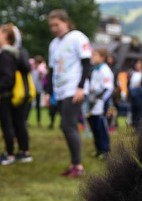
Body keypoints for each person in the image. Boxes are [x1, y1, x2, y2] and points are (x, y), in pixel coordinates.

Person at [47, 9, 92, 178]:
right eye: (51, 26)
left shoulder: (78, 37)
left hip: (73, 89)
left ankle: (78, 166)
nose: (54, 28)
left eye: (56, 25)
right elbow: (52, 71)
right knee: (66, 126)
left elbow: (87, 64)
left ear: (66, 22)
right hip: (59, 91)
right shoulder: (54, 44)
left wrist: (81, 87)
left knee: (68, 125)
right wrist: (48, 92)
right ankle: (74, 163)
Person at [0, 23, 32, 166]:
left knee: (7, 125)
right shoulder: (17, 52)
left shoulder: (5, 54)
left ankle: (9, 153)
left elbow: (7, 78)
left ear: (5, 35)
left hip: (6, 95)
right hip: (16, 95)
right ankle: (24, 151)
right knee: (19, 123)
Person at [87, 46, 114, 159]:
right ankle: (98, 149)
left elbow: (107, 88)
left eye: (95, 55)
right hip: (93, 102)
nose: (92, 57)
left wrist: (99, 99)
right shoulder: (95, 70)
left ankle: (106, 150)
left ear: (102, 57)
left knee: (101, 126)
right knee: (94, 126)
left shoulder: (105, 70)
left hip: (101, 103)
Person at [128, 59, 142, 125]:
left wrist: (140, 87)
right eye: (137, 63)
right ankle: (134, 125)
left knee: (140, 112)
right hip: (132, 95)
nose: (138, 65)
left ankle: (139, 127)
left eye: (139, 63)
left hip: (140, 96)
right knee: (133, 111)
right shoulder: (132, 73)